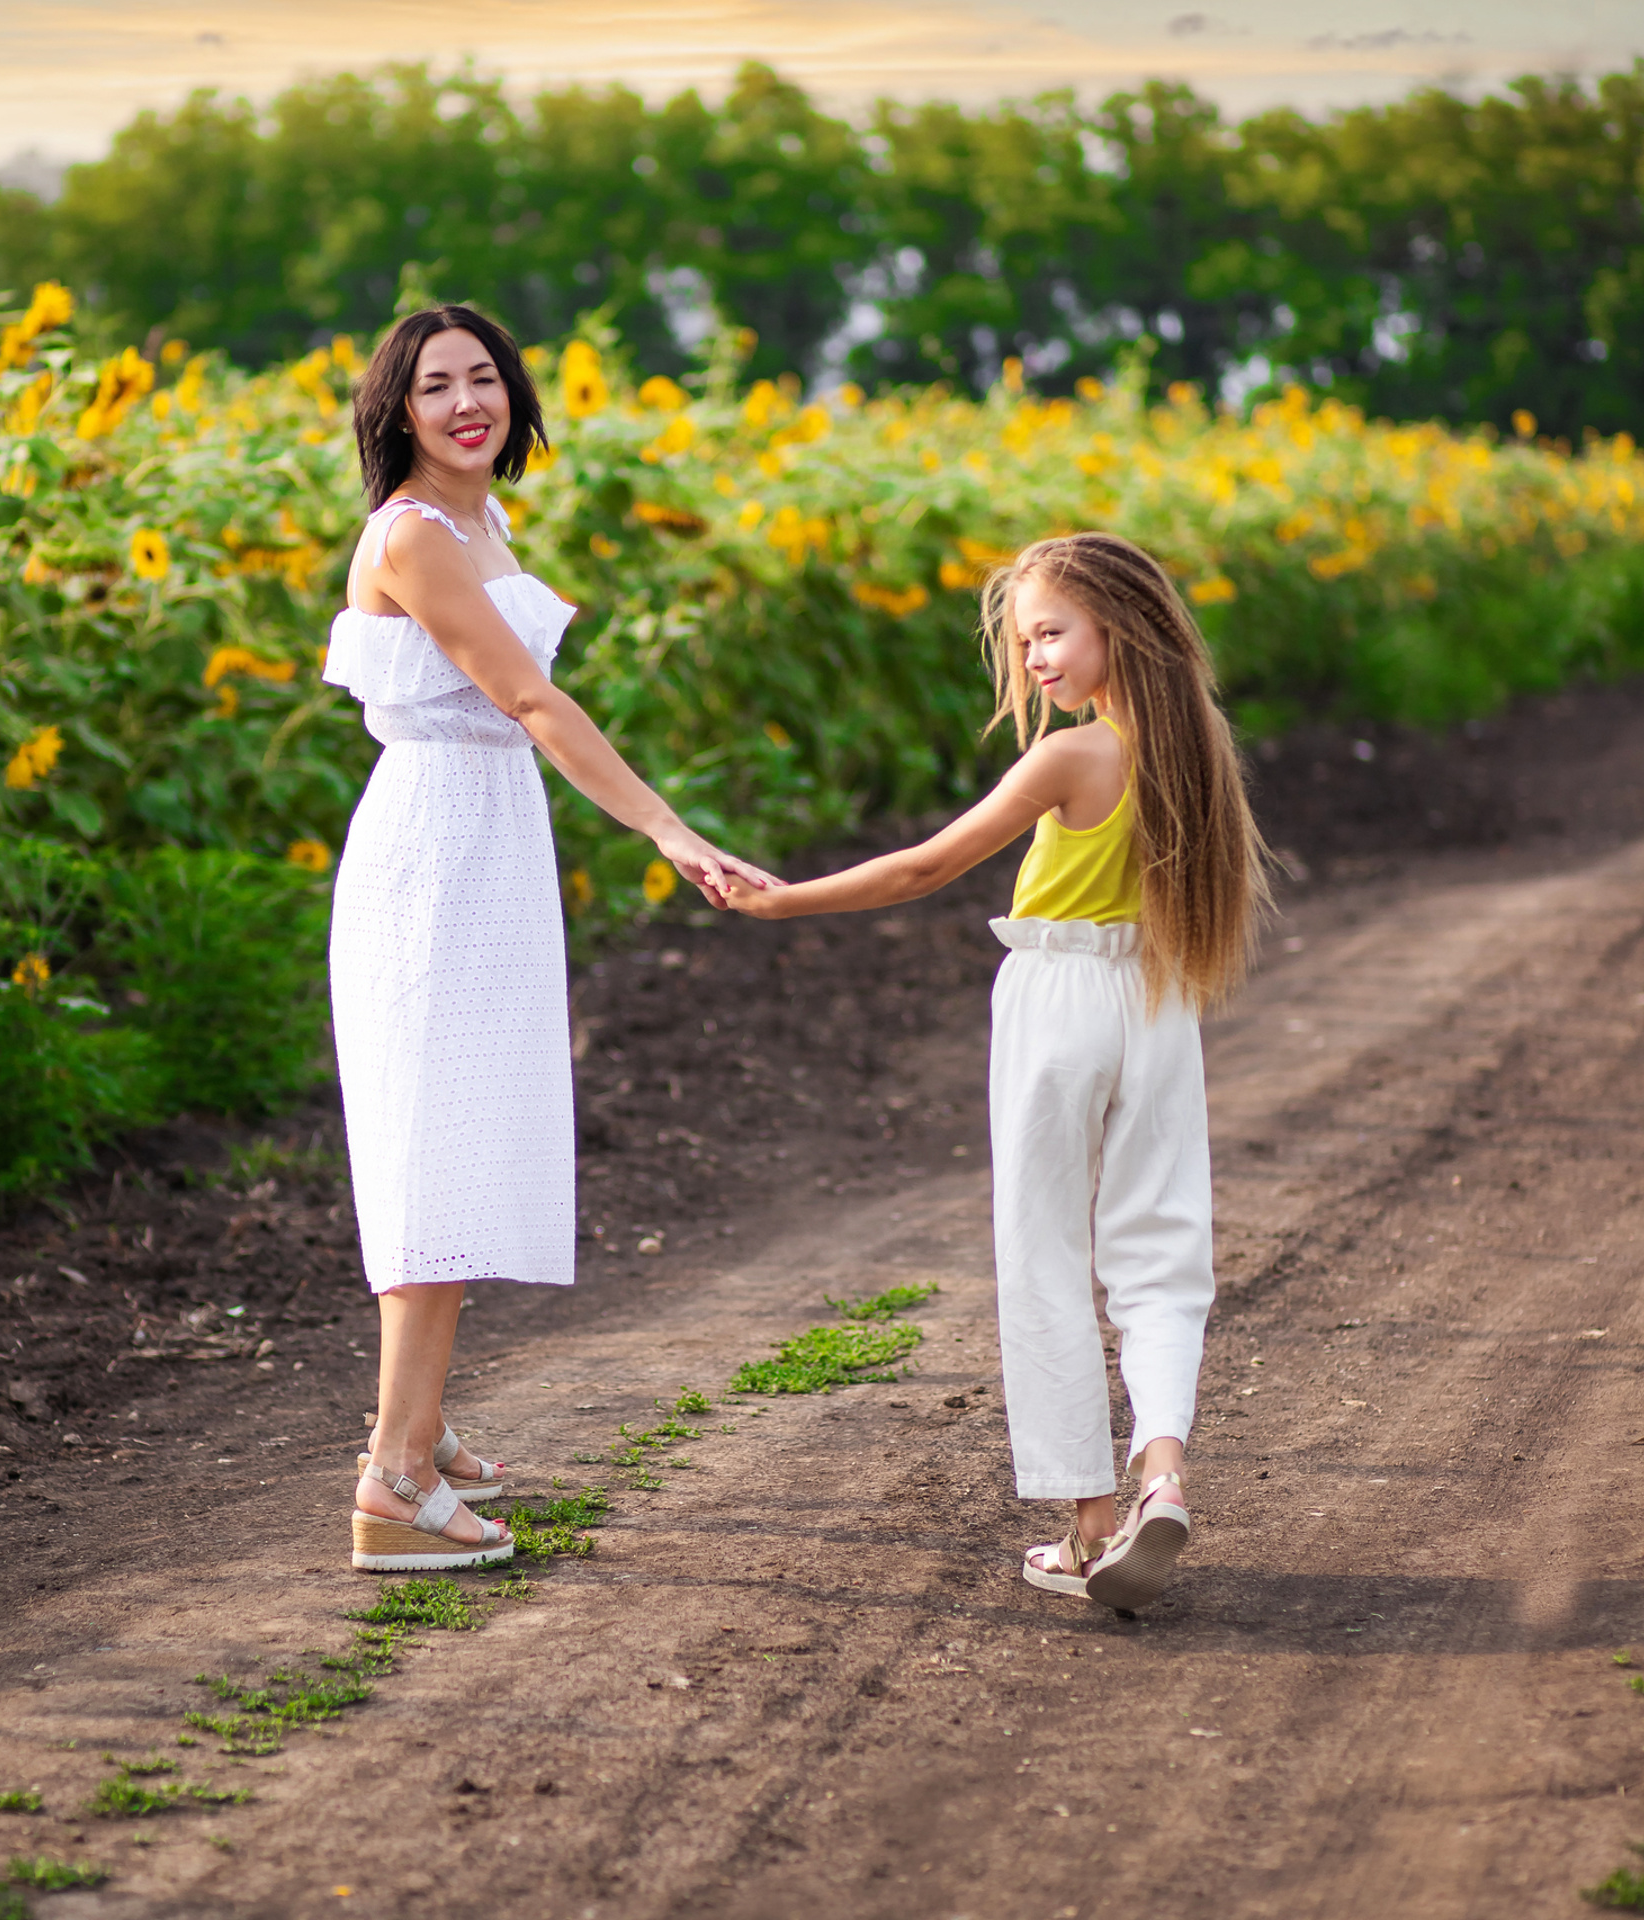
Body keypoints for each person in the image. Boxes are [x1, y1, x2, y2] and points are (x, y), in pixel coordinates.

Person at [726, 531, 1268, 1611]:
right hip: (1158, 1001)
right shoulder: (1197, 741)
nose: (1034, 661)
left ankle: (1088, 1526)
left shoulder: (1072, 757)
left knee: (1046, 1254)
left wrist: (783, 898)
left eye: (1051, 633)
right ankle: (1161, 1469)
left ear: (1121, 625)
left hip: (1060, 999)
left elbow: (926, 865)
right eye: (1026, 642)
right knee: (1163, 1253)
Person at [325, 305, 779, 1572]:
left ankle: (411, 1422)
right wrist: (669, 830)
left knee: (464, 1135)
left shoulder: (479, 519)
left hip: (486, 844)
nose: (467, 402)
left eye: (484, 379)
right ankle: (394, 1483)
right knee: (435, 1152)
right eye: (435, 388)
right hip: (435, 856)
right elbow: (527, 698)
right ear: (397, 412)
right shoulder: (414, 538)